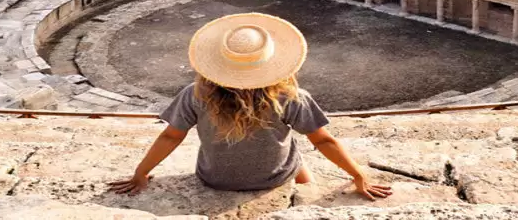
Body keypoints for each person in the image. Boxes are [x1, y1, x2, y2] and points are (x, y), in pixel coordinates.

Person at [108, 13, 392, 200]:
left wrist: (140, 173)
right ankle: (306, 192)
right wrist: (359, 175)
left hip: (215, 179)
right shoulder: (291, 96)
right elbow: (324, 140)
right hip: (273, 178)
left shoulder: (195, 94)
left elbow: (171, 136)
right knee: (298, 156)